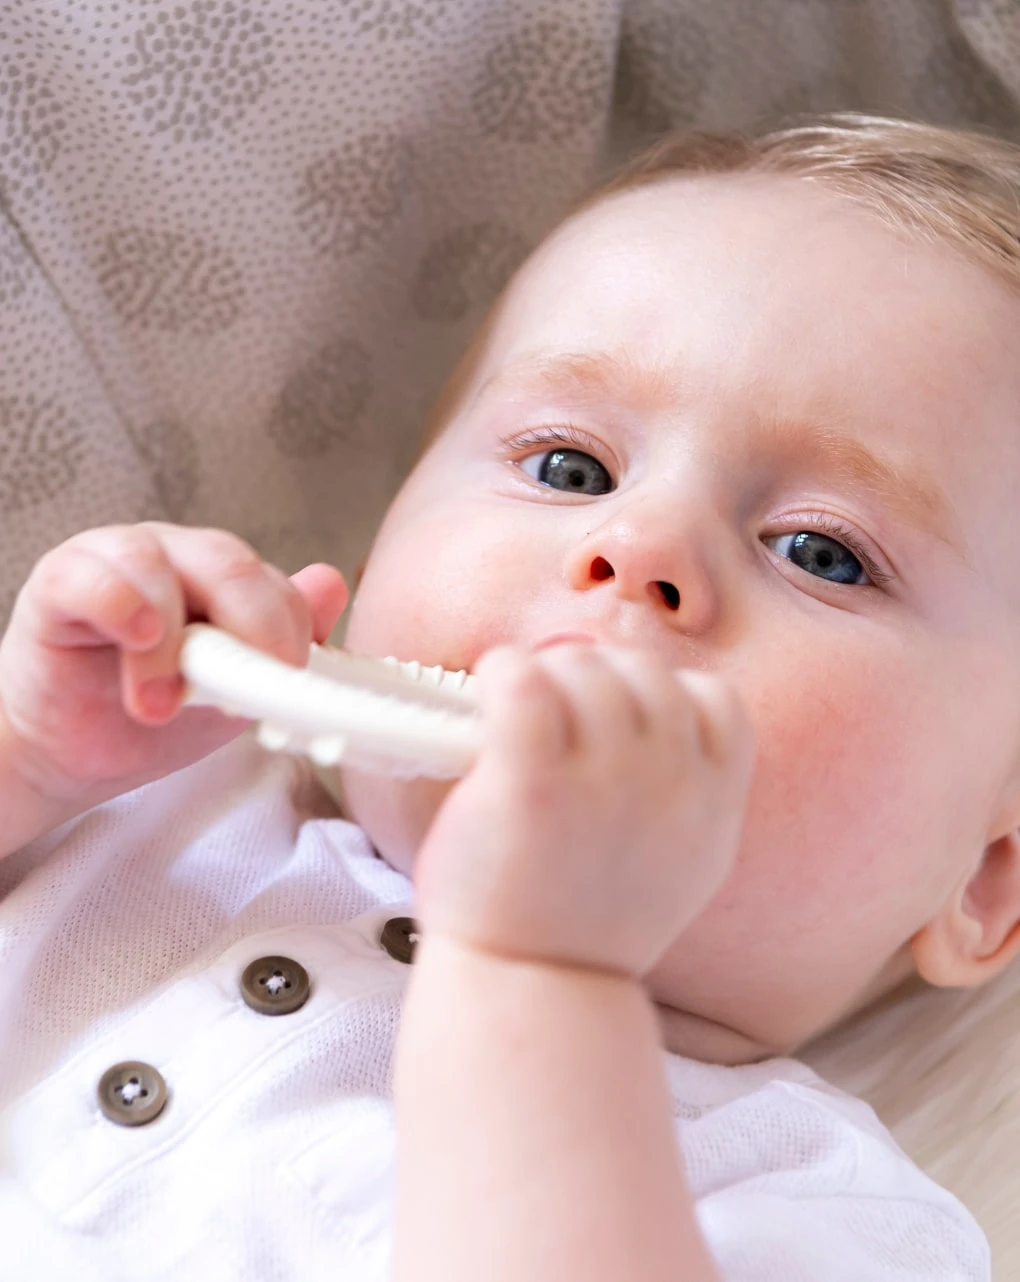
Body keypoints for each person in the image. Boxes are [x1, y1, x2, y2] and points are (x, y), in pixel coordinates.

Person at [1, 112, 1016, 1280]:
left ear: (983, 879)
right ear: (373, 567)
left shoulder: (837, 1211)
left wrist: (545, 977)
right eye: (570, 468)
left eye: (822, 553)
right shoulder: (154, 803)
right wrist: (31, 754)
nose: (639, 546)